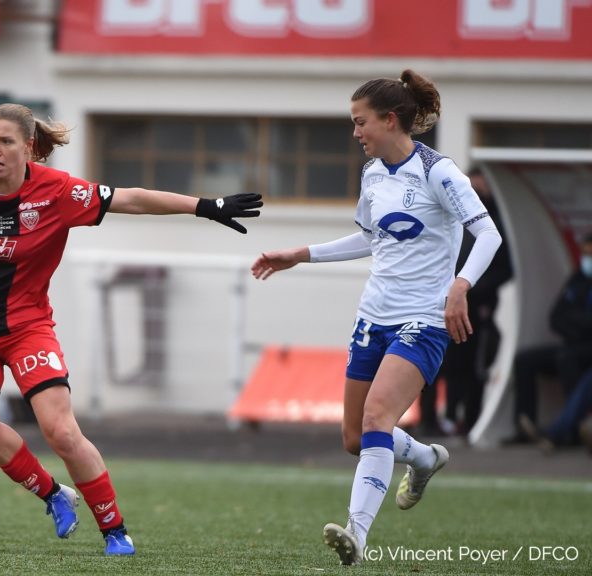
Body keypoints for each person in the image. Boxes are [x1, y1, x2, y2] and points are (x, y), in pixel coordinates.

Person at [0, 102, 263, 556]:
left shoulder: (58, 192)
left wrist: (204, 206)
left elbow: (131, 198)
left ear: (29, 147)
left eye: (5, 141)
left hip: (26, 328)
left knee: (62, 432)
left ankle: (115, 530)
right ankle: (53, 495)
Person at [251, 70, 502, 566]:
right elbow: (370, 238)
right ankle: (425, 457)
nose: (355, 132)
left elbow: (488, 233)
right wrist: (301, 254)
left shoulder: (438, 172)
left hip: (423, 320)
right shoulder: (372, 174)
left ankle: (357, 535)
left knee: (376, 419)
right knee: (355, 438)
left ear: (389, 120)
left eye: (360, 121)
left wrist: (461, 285)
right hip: (373, 316)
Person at [422, 167, 513, 436]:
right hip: (439, 304)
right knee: (432, 361)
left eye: (479, 189)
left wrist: (469, 286)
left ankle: (466, 419)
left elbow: (505, 266)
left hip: (475, 308)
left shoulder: (495, 224)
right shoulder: (448, 216)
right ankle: (430, 419)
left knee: (470, 366)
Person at [506, 232, 592, 444]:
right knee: (525, 360)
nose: (586, 259)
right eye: (584, 254)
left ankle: (569, 432)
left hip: (583, 349)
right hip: (574, 342)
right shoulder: (578, 279)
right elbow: (556, 317)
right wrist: (580, 326)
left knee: (567, 359)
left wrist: (577, 322)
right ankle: (524, 426)